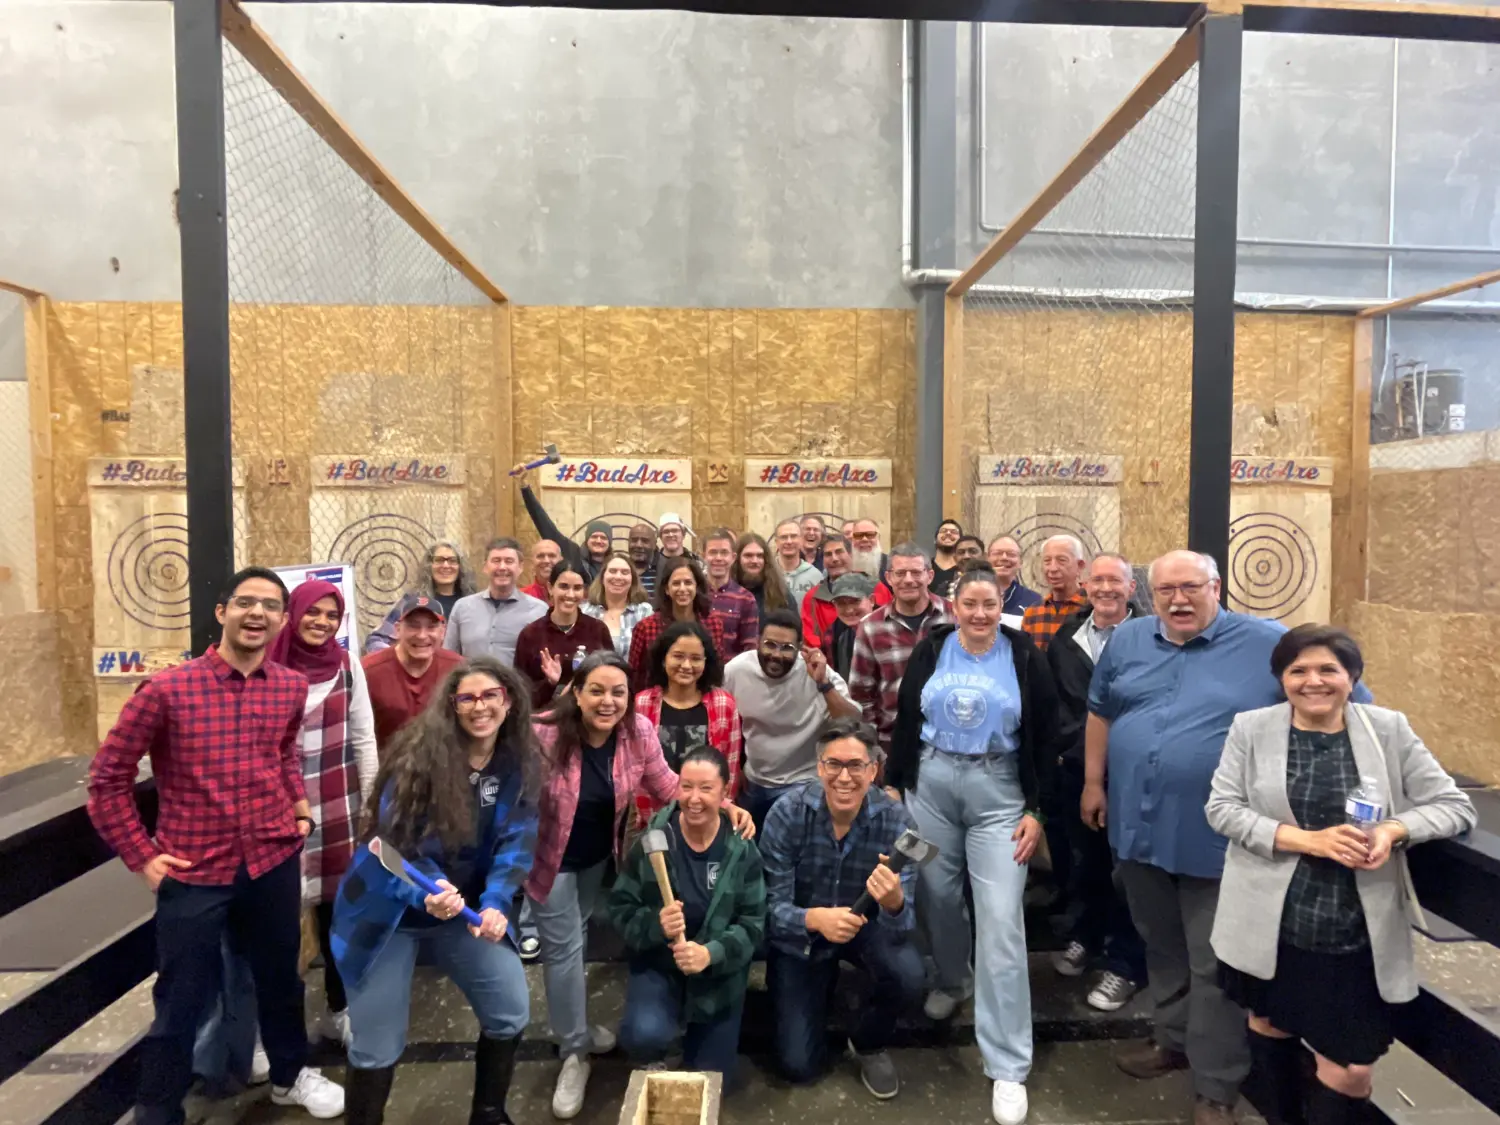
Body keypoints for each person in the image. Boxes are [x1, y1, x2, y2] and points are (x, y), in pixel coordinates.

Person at [1083, 550, 1373, 1125]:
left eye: (1192, 587)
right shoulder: (1130, 640)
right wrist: (1094, 780)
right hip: (1136, 832)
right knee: (1161, 946)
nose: (1179, 599)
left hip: (1219, 841)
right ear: (1151, 593)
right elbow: (1101, 712)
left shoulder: (1270, 643)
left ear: (1218, 586)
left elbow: (1348, 706)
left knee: (1215, 964)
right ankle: (1171, 1042)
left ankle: (1216, 1088)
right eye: (1166, 590)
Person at [87, 567, 344, 1123]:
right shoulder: (166, 690)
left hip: (273, 858)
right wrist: (143, 857)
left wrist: (298, 807)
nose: (258, 614)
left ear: (282, 620)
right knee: (182, 998)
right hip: (195, 869)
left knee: (282, 981)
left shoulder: (289, 685)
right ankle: (159, 1108)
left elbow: (281, 754)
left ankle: (287, 1075)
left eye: (270, 606)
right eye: (246, 603)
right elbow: (107, 780)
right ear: (222, 611)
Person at [1206, 625, 1474, 1125]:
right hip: (1272, 922)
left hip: (1352, 932)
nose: (1314, 681)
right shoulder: (1253, 727)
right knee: (1268, 1024)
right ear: (1281, 678)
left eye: (1328, 669)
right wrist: (1307, 839)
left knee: (1350, 1068)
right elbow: (1222, 809)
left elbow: (1453, 806)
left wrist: (1395, 829)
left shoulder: (1386, 728)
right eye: (1298, 670)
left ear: (1352, 677)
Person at [526, 653, 754, 1118]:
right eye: (596, 690)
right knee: (564, 947)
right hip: (549, 859)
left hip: (596, 857)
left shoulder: (637, 733)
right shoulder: (543, 733)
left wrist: (723, 805)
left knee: (581, 933)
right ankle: (573, 1050)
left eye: (618, 693)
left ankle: (578, 1026)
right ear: (576, 691)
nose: (608, 702)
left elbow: (672, 786)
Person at [886, 562, 1061, 1125]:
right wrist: (897, 782)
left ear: (999, 605)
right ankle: (954, 977)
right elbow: (905, 717)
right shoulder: (932, 649)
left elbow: (1046, 736)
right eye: (970, 604)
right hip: (932, 787)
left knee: (1001, 918)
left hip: (999, 793)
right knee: (934, 893)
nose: (980, 614)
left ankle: (1007, 1064)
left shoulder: (1026, 656)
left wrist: (1036, 809)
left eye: (989, 604)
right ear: (954, 606)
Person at [332, 658, 540, 1125]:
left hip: (460, 914)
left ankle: (488, 1113)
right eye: (467, 697)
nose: (479, 706)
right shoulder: (418, 757)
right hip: (387, 914)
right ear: (451, 705)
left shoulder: (518, 762)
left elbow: (517, 841)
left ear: (508, 701)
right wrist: (427, 889)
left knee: (510, 1009)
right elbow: (395, 844)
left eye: (491, 695)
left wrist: (495, 902)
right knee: (377, 1043)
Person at [760, 718, 924, 1099]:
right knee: (798, 1065)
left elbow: (905, 926)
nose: (844, 777)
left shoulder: (899, 821)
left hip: (864, 927)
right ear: (819, 767)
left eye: (856, 766)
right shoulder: (787, 814)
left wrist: (894, 902)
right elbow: (768, 909)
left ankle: (868, 1041)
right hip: (803, 935)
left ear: (873, 770)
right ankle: (817, 987)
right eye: (834, 764)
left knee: (910, 975)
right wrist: (813, 918)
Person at [609, 746, 767, 1080]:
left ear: (726, 792)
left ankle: (695, 1032)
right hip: (661, 963)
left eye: (706, 788)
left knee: (711, 1077)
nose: (694, 798)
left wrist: (712, 953)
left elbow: (753, 924)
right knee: (643, 1036)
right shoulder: (653, 839)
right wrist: (655, 925)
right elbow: (621, 909)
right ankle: (663, 1034)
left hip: (718, 974)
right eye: (686, 786)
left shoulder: (742, 848)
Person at [268, 580, 378, 1048]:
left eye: (331, 616)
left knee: (339, 915)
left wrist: (372, 806)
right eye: (313, 612)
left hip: (337, 807)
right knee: (277, 924)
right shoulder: (268, 666)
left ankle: (340, 1007)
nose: (321, 622)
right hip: (277, 810)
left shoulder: (347, 666)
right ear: (294, 614)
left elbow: (363, 738)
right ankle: (271, 1029)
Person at [1047, 555, 1146, 1014]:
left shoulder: (1154, 636)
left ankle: (1125, 963)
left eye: (1115, 580)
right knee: (1086, 862)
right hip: (1076, 769)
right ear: (1084, 585)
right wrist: (1074, 750)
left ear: (1130, 587)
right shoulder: (1066, 637)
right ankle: (1086, 937)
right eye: (1098, 580)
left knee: (1131, 869)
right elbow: (1059, 703)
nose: (1105, 588)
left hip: (1135, 772)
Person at [723, 609, 860, 832]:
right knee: (748, 851)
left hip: (803, 784)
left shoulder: (818, 673)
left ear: (800, 648)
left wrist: (823, 684)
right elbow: (718, 715)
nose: (776, 654)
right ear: (757, 642)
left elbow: (853, 723)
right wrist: (733, 770)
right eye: (769, 644)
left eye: (787, 648)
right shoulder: (737, 670)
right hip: (753, 781)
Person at [848, 542, 952, 758]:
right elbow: (862, 695)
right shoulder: (870, 626)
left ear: (930, 576)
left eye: (916, 572)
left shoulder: (955, 616)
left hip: (950, 742)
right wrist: (874, 748)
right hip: (893, 744)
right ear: (888, 578)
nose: (908, 580)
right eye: (900, 573)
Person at [634, 620, 744, 808]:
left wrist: (723, 808)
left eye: (695, 658)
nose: (686, 665)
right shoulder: (642, 704)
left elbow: (730, 769)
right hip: (651, 813)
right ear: (663, 659)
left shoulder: (724, 704)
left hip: (706, 811)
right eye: (678, 656)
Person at [363, 594, 465, 753]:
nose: (422, 635)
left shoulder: (458, 668)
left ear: (442, 632)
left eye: (431, 627)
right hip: (388, 771)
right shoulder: (369, 670)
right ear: (397, 630)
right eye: (413, 626)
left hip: (442, 768)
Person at [514, 564, 613, 710]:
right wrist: (549, 683)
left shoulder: (598, 630)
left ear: (584, 592)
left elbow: (611, 676)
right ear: (550, 588)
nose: (570, 595)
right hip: (544, 720)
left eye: (577, 588)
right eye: (564, 587)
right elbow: (520, 693)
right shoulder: (530, 634)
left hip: (589, 719)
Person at [626, 556, 729, 691]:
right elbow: (634, 675)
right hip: (655, 701)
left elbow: (716, 670)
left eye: (688, 583)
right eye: (676, 583)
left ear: (696, 586)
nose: (682, 589)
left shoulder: (713, 625)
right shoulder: (645, 627)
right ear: (666, 589)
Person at [445, 537, 548, 666]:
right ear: (485, 567)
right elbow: (448, 658)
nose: (502, 567)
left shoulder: (539, 611)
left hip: (517, 686)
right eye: (496, 561)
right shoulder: (462, 607)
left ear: (520, 567)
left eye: (509, 561)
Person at [363, 540, 476, 655]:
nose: (446, 565)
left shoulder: (472, 604)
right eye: (439, 560)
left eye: (452, 561)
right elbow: (375, 640)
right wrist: (397, 661)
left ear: (461, 567)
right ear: (429, 566)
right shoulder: (412, 601)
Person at [513, 460, 614, 582]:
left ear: (609, 542)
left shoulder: (615, 566)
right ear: (587, 539)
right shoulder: (572, 552)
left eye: (603, 538)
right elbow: (544, 524)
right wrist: (524, 487)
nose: (598, 541)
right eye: (594, 536)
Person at [1021, 534, 1090, 651]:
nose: (1052, 569)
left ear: (1080, 566)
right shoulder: (1033, 613)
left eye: (1061, 561)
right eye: (1047, 561)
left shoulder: (1091, 609)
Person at [582, 551, 653, 658]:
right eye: (613, 571)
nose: (618, 577)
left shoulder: (644, 612)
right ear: (602, 577)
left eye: (625, 572)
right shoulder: (585, 611)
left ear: (632, 579)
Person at [702, 527, 759, 655]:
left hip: (731, 672)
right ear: (703, 556)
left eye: (724, 553)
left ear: (733, 557)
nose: (718, 558)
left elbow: (750, 648)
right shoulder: (693, 593)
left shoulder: (746, 599)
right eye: (713, 552)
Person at [799, 532, 855, 647]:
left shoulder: (874, 588)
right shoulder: (813, 597)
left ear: (851, 554)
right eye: (828, 554)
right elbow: (810, 639)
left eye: (839, 552)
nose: (834, 559)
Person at [821, 572, 875, 681]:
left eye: (855, 601)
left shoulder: (889, 630)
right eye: (841, 603)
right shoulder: (834, 635)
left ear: (872, 600)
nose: (849, 610)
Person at [732, 532, 792, 619]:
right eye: (748, 555)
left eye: (760, 556)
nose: (755, 561)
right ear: (736, 559)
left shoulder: (781, 594)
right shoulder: (725, 593)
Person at [987, 535, 1043, 622]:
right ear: (987, 559)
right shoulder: (971, 595)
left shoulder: (1034, 601)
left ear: (1020, 562)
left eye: (1011, 554)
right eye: (998, 553)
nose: (1004, 557)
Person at [774, 518, 823, 606]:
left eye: (793, 536)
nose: (789, 541)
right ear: (777, 542)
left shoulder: (815, 576)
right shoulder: (767, 572)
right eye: (784, 537)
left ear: (801, 540)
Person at [930, 519, 963, 595]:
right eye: (943, 531)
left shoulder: (965, 570)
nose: (948, 533)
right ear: (935, 540)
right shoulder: (924, 568)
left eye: (954, 532)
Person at [628, 523, 659, 597]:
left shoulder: (662, 571)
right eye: (634, 540)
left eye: (645, 541)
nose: (639, 545)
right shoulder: (619, 570)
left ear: (654, 545)